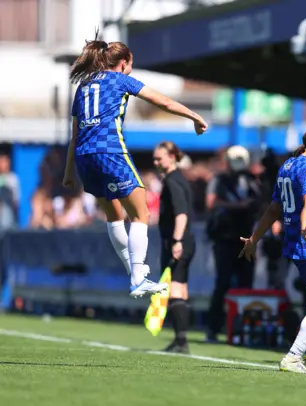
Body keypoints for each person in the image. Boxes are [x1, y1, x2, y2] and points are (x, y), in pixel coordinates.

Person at [62, 32, 207, 297]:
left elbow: (74, 137)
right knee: (141, 213)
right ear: (125, 62)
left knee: (114, 215)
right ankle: (138, 276)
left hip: (84, 156)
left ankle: (134, 273)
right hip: (110, 150)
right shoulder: (121, 80)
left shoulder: (83, 87)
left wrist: (69, 172)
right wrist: (194, 116)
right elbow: (162, 101)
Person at [239, 125, 306, 373]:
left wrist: (255, 237)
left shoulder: (287, 166)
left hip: (294, 242)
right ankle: (295, 356)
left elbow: (273, 209)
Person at [204, 145, 261, 342]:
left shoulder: (252, 180)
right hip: (225, 238)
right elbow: (211, 203)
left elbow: (261, 203)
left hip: (246, 239)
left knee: (246, 286)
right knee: (222, 283)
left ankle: (244, 329)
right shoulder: (219, 179)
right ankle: (213, 328)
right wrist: (237, 207)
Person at [153, 141, 196, 354]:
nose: (155, 162)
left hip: (179, 241)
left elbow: (181, 213)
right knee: (181, 288)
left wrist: (177, 241)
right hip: (185, 240)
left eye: (159, 158)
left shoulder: (172, 181)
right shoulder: (177, 179)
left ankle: (181, 341)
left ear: (171, 157)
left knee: (175, 289)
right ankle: (180, 339)